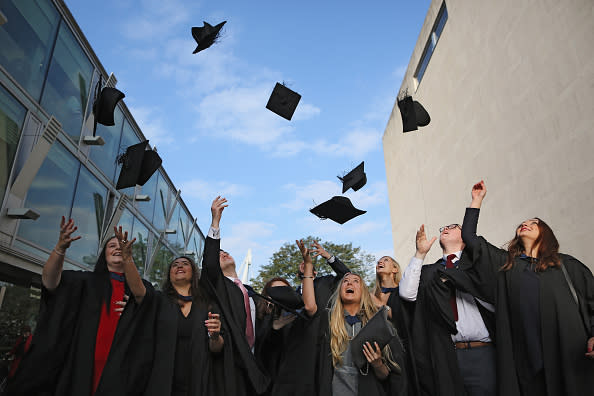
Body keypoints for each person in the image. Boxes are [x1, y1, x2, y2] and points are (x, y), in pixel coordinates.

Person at [457, 180, 594, 396]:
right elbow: (470, 238)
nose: (526, 223)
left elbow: (591, 300)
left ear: (545, 233)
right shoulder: (507, 266)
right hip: (527, 367)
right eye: (522, 222)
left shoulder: (567, 265)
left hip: (568, 358)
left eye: (534, 222)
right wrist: (476, 200)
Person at [6, 217, 157, 396]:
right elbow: (50, 282)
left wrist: (128, 259)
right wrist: (60, 249)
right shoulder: (85, 282)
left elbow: (142, 297)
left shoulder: (140, 287)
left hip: (122, 369)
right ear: (104, 255)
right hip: (82, 367)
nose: (117, 248)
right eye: (112, 246)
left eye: (121, 245)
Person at [298, 240, 406, 396]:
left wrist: (377, 364)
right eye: (345, 281)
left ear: (363, 291)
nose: (350, 283)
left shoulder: (377, 325)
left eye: (356, 281)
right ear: (340, 290)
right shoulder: (328, 320)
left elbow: (387, 376)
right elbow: (309, 307)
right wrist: (308, 265)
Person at [399, 222, 496, 396]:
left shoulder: (478, 266)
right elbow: (407, 294)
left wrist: (456, 277)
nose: (446, 229)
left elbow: (494, 299)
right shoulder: (431, 272)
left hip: (482, 353)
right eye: (443, 228)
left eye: (453, 227)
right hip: (447, 355)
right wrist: (420, 254)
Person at [200, 196, 269, 395]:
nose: (223, 254)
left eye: (226, 251)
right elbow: (210, 264)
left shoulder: (251, 293)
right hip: (229, 363)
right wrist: (215, 222)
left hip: (255, 365)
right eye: (218, 254)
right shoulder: (218, 288)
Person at [144, 255, 224, 396]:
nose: (179, 266)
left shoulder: (207, 304)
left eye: (185, 263)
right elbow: (139, 294)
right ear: (169, 274)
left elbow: (216, 349)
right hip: (163, 381)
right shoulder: (158, 301)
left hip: (198, 382)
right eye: (175, 264)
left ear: (193, 272)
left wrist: (215, 336)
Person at [371, 257, 419, 396]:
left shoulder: (404, 291)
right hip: (381, 356)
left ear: (395, 269)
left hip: (406, 353)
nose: (380, 262)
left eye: (385, 260)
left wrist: (380, 306)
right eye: (379, 261)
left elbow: (406, 319)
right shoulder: (372, 296)